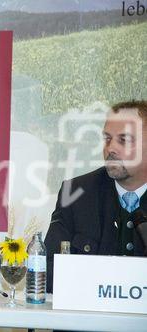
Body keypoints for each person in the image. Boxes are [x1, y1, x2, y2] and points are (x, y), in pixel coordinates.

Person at [45, 100, 147, 293]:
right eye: (107, 139)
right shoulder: (76, 193)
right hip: (86, 320)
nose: (111, 149)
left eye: (123, 140)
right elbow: (49, 271)